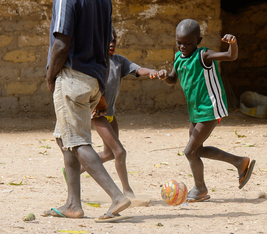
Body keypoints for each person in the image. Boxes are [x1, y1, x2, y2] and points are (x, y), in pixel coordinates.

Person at [44, 0, 131, 222]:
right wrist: (101, 85)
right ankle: (73, 203)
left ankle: (117, 196)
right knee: (65, 138)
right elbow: (108, 44)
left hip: (71, 77)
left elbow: (61, 42)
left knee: (78, 140)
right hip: (94, 78)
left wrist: (50, 75)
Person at [157, 19, 256, 202]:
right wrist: (164, 77)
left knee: (189, 152)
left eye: (187, 43)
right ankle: (239, 162)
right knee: (196, 151)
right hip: (195, 112)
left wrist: (233, 44)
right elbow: (172, 79)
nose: (183, 47)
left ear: (198, 40)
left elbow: (230, 56)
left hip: (210, 108)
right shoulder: (178, 57)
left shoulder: (204, 56)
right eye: (179, 42)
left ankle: (200, 189)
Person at [84, 27, 158, 198]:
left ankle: (75, 169)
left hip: (110, 115)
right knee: (120, 152)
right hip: (97, 116)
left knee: (109, 154)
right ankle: (126, 192)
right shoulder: (94, 63)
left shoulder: (119, 61)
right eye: (107, 41)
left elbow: (138, 70)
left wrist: (152, 72)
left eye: (114, 41)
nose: (111, 44)